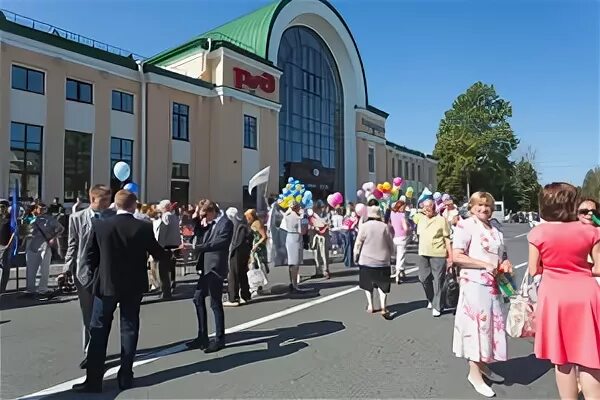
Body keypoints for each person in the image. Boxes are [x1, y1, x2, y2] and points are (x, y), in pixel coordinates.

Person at [72, 190, 168, 393]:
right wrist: (172, 253)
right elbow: (157, 253)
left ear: (115, 205)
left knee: (98, 330)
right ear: (133, 206)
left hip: (106, 284)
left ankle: (94, 380)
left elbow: (89, 256)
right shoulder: (143, 226)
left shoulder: (101, 225)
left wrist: (95, 277)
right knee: (129, 328)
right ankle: (125, 375)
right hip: (133, 286)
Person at [528, 183, 600, 400]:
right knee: (590, 357)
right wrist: (580, 268)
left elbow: (534, 269)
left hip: (555, 297)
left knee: (563, 360)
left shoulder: (538, 232)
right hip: (586, 294)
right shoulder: (591, 231)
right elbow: (598, 267)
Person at [452, 192, 512, 398]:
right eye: (479, 205)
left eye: (487, 205)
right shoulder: (465, 225)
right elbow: (457, 256)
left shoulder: (495, 227)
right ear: (471, 206)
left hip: (494, 284)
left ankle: (484, 365)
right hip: (474, 285)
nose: (484, 209)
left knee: (491, 327)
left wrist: (505, 262)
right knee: (476, 327)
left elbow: (502, 253)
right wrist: (483, 264)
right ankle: (474, 374)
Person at [63, 184, 114, 370]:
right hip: (83, 272)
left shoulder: (113, 217)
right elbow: (72, 245)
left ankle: (99, 349)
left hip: (107, 273)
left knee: (102, 314)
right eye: (104, 200)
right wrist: (66, 269)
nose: (108, 203)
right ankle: (89, 352)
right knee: (87, 314)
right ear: (93, 199)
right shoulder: (77, 218)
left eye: (110, 199)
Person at [186, 199, 233, 353]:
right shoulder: (208, 223)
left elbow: (220, 243)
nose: (204, 217)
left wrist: (197, 248)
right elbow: (198, 234)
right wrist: (197, 220)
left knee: (215, 303)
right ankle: (202, 336)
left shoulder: (225, 223)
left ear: (212, 211)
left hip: (216, 267)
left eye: (205, 214)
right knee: (197, 298)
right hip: (205, 267)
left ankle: (219, 338)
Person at [354, 203, 394, 319]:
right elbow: (390, 243)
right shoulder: (384, 226)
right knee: (383, 285)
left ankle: (371, 306)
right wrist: (392, 255)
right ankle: (383, 306)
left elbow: (358, 243)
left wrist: (355, 256)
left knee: (367, 285)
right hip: (382, 260)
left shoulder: (364, 226)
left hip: (366, 260)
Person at [416, 199, 452, 317]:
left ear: (434, 207)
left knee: (438, 280)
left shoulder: (442, 220)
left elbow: (447, 238)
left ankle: (437, 306)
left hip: (438, 253)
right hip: (423, 253)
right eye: (425, 207)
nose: (427, 209)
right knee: (423, 278)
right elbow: (412, 215)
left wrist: (450, 257)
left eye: (429, 206)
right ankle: (431, 298)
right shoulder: (420, 219)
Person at [25, 203, 64, 297]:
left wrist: (53, 237)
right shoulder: (27, 218)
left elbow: (61, 228)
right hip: (31, 243)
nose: (42, 210)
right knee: (30, 268)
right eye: (40, 208)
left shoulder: (49, 219)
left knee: (44, 268)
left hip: (44, 244)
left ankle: (42, 289)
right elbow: (23, 231)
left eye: (44, 208)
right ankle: (30, 289)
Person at [152, 200, 181, 299]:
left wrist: (158, 246)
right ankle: (169, 287)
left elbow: (163, 232)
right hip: (174, 245)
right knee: (169, 268)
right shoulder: (174, 216)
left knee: (163, 270)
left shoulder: (166, 216)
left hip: (166, 246)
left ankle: (165, 291)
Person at [223, 207, 252, 306]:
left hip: (236, 253)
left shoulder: (236, 226)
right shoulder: (243, 225)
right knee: (242, 273)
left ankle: (233, 298)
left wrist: (230, 251)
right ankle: (245, 295)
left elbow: (235, 242)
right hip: (244, 252)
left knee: (233, 274)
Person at [281, 201, 307, 292]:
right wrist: (304, 219)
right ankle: (295, 284)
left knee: (291, 262)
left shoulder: (286, 215)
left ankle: (292, 282)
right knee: (295, 263)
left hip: (289, 237)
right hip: (296, 238)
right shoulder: (298, 217)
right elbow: (302, 231)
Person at [245, 208, 269, 295]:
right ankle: (257, 286)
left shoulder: (257, 223)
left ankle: (257, 286)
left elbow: (264, 236)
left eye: (248, 217)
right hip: (254, 247)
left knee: (256, 266)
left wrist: (257, 244)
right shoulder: (253, 223)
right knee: (253, 266)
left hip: (258, 248)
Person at [389, 198, 409, 284]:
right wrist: (408, 231)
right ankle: (398, 272)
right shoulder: (402, 215)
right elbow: (405, 227)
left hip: (394, 236)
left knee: (395, 255)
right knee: (401, 256)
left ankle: (398, 270)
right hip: (402, 237)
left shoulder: (392, 214)